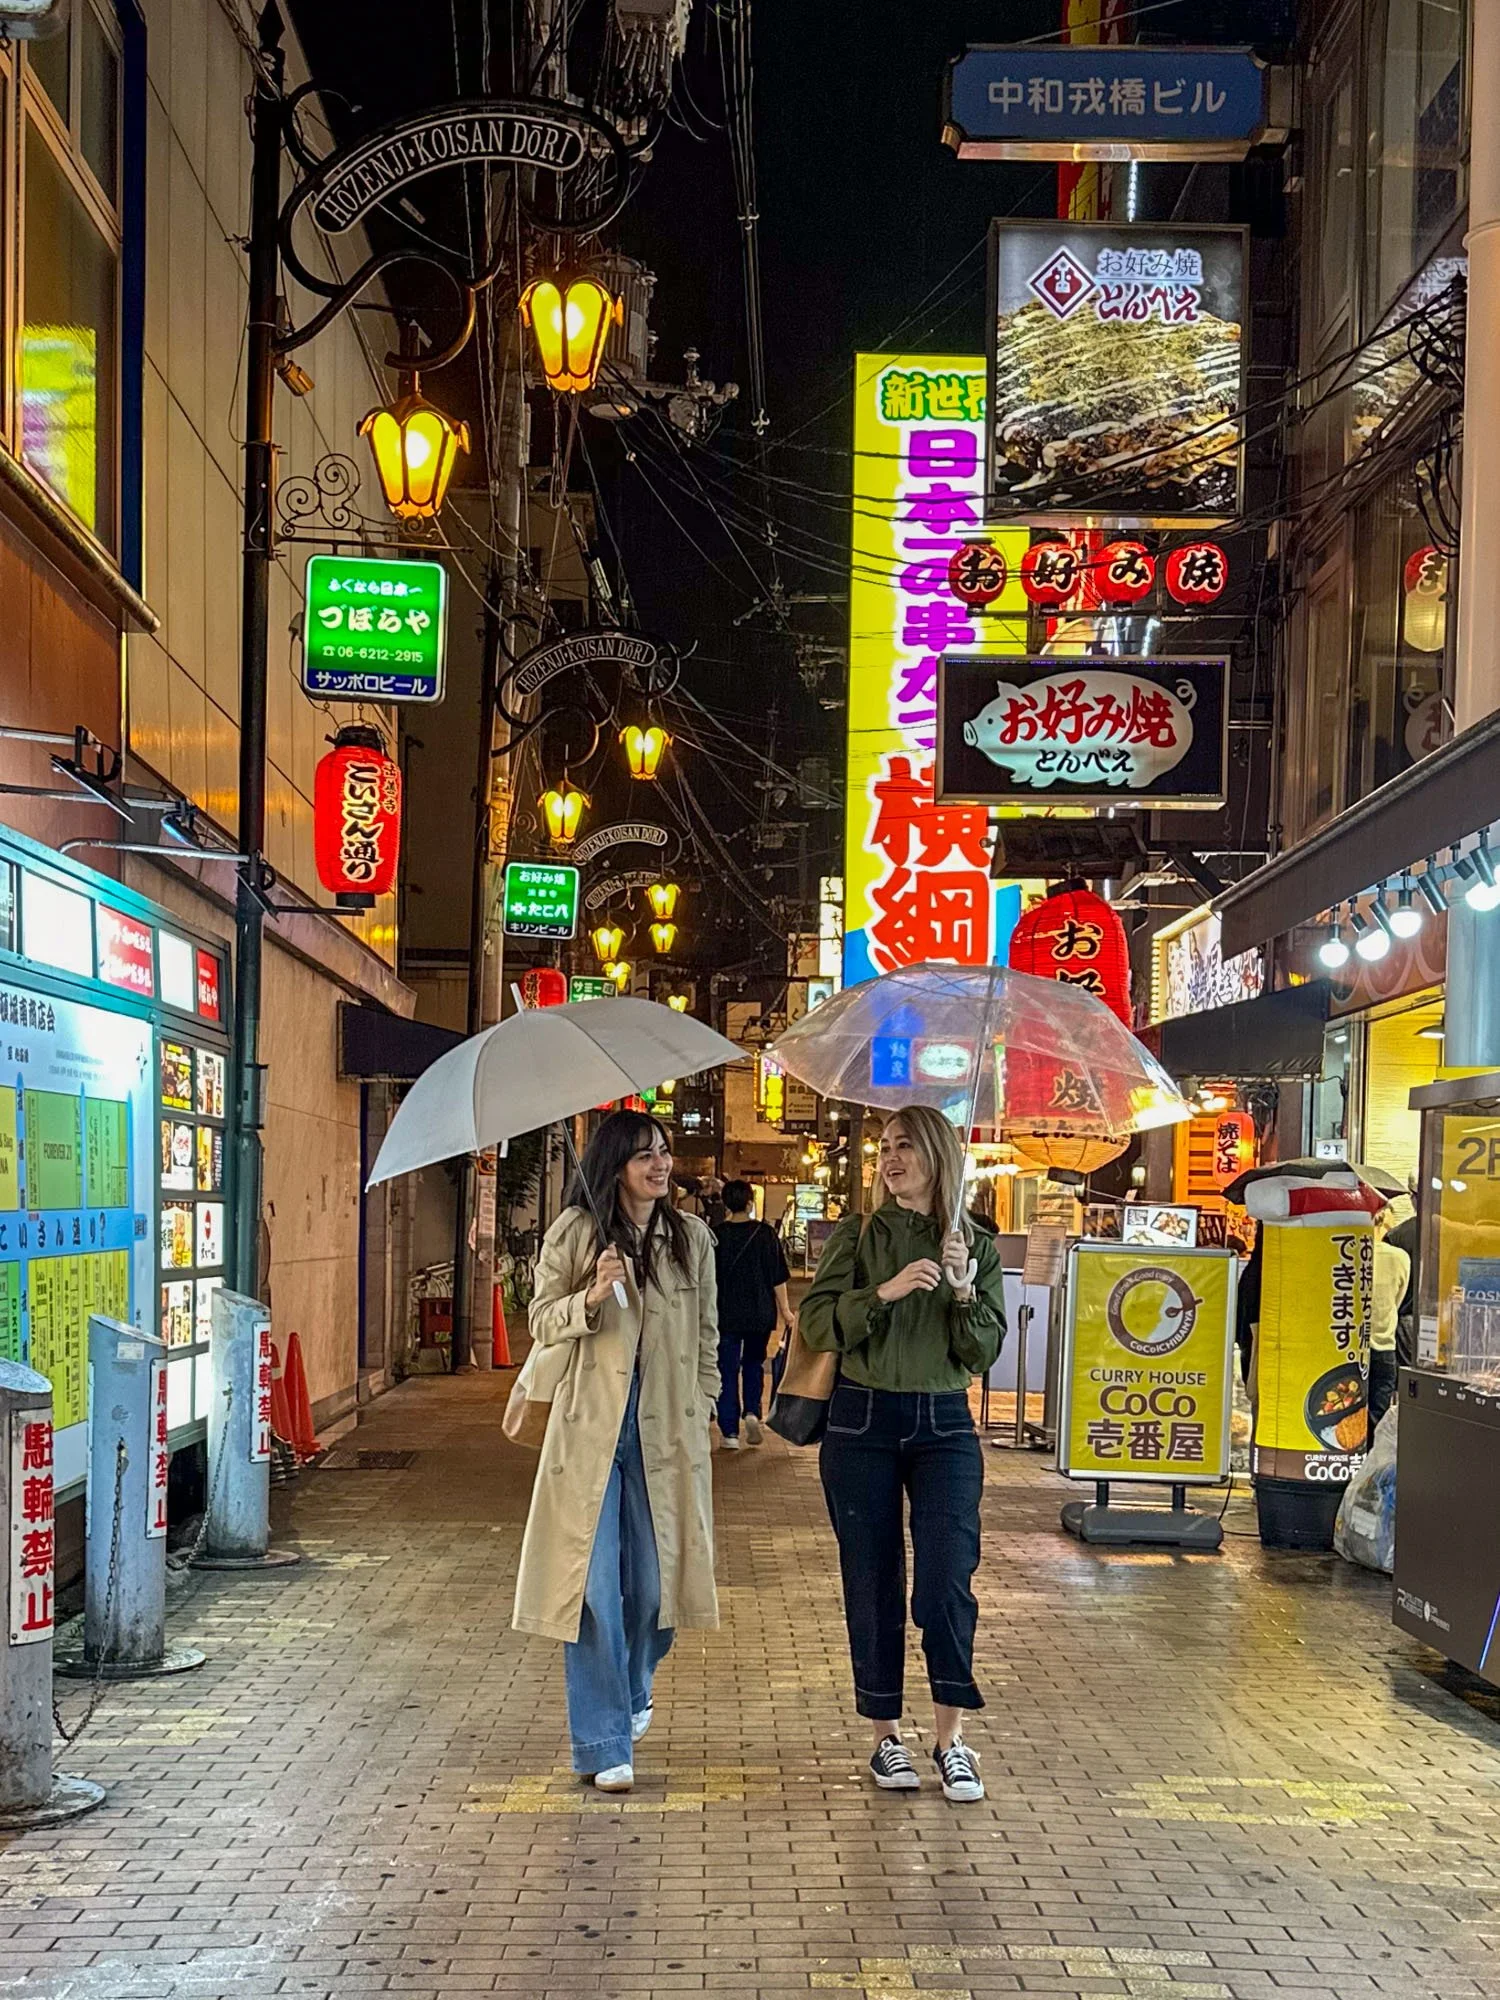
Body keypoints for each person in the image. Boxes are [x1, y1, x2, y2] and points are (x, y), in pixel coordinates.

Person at [800, 1106, 1007, 1804]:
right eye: (884, 1148)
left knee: (947, 1579)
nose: (889, 1160)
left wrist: (961, 1289)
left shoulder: (974, 1241)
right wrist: (882, 1294)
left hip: (945, 1423)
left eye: (904, 1148)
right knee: (873, 1579)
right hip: (861, 1419)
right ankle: (886, 1735)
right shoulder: (859, 1233)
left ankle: (951, 1739)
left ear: (938, 1156)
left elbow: (982, 1350)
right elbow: (816, 1320)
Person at [513, 1111, 720, 1793]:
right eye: (643, 1157)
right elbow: (541, 1318)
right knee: (594, 1588)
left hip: (665, 1436)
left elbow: (707, 1341)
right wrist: (592, 1294)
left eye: (663, 1152)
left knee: (659, 1588)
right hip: (592, 1433)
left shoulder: (692, 1239)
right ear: (615, 1166)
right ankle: (604, 1745)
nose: (660, 1166)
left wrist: (706, 1406)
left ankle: (633, 1687)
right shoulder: (577, 1232)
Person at [711, 1180, 794, 1449]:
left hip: (725, 1314)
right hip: (759, 1313)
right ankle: (752, 1412)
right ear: (750, 1203)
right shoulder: (765, 1234)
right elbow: (778, 1277)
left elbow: (707, 1279)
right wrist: (785, 1310)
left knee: (727, 1369)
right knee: (753, 1364)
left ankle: (729, 1433)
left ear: (726, 1203)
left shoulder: (716, 1235)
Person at [1369, 1200, 1412, 1432]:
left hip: (1348, 1351)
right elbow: (1398, 1299)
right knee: (1379, 1420)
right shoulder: (1400, 1257)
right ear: (1383, 1215)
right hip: (1384, 1347)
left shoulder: (1347, 1253)